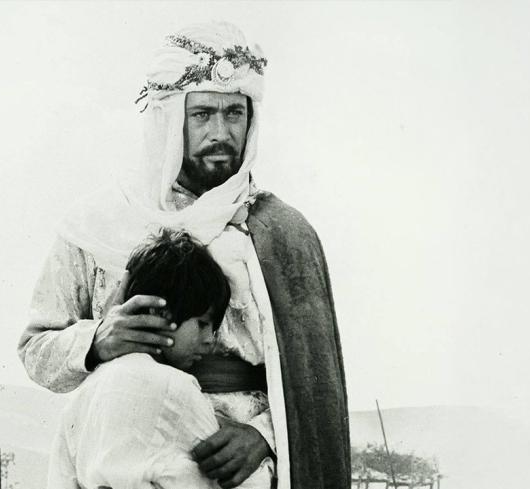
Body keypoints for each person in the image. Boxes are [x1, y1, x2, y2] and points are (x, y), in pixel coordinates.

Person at [19, 21, 350, 489]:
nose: (221, 132)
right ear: (169, 119)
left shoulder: (285, 234)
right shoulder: (96, 225)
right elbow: (36, 352)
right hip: (124, 449)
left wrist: (265, 436)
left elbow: (317, 384)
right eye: (203, 114)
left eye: (234, 113)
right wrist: (97, 341)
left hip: (240, 472)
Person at [47, 229, 273, 489]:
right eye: (202, 324)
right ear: (158, 312)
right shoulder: (178, 389)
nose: (209, 340)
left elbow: (62, 472)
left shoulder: (90, 391)